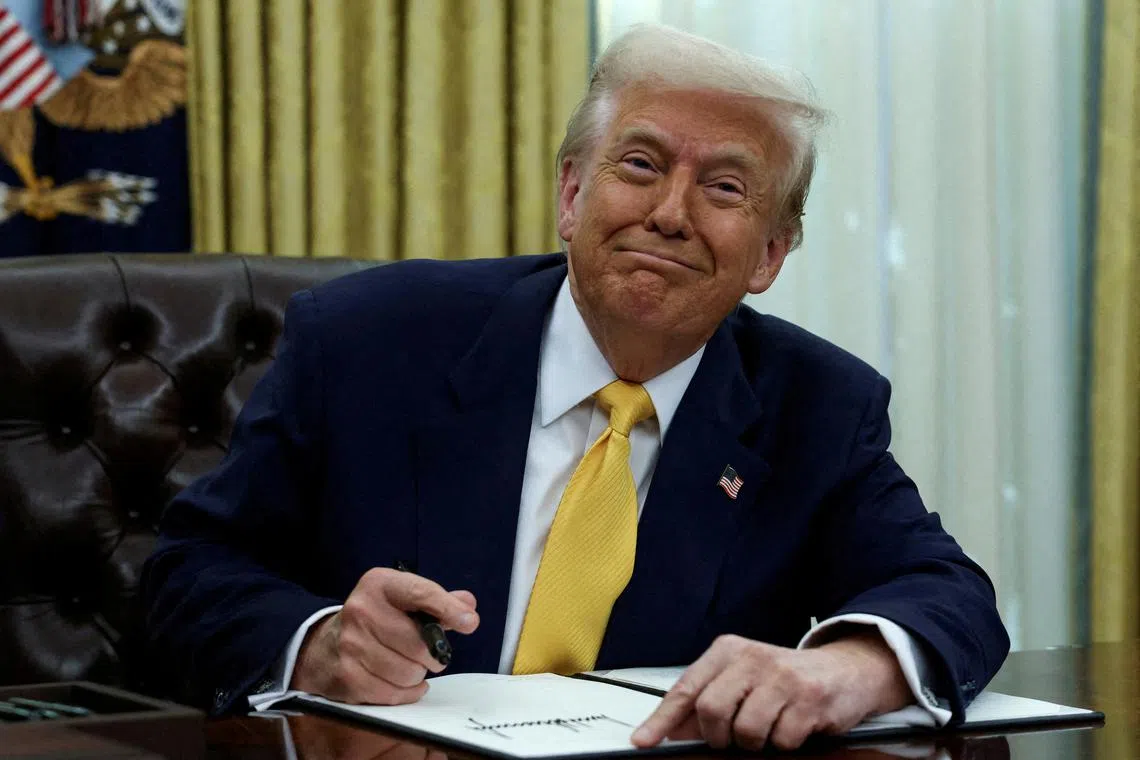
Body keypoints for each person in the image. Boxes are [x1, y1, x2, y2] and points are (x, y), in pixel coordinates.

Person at [141, 24, 1009, 752]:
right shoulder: (371, 341)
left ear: (772, 254)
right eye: (639, 164)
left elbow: (949, 593)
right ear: (570, 194)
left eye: (725, 188)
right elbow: (187, 573)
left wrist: (843, 667)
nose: (670, 212)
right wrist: (317, 644)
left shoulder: (817, 403)